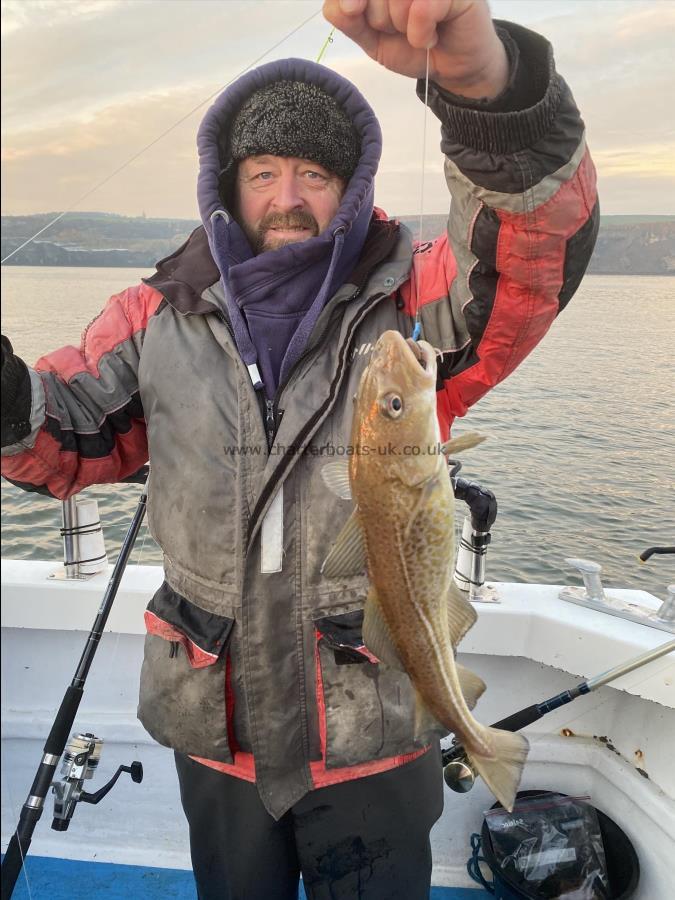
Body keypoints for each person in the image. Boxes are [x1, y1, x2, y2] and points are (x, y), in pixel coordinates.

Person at [1, 1, 599, 897]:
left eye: (315, 172)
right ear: (225, 181)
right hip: (219, 727)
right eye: (264, 169)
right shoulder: (151, 317)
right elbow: (62, 435)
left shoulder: (411, 305)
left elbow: (527, 260)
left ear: (350, 186)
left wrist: (489, 94)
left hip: (372, 730)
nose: (287, 197)